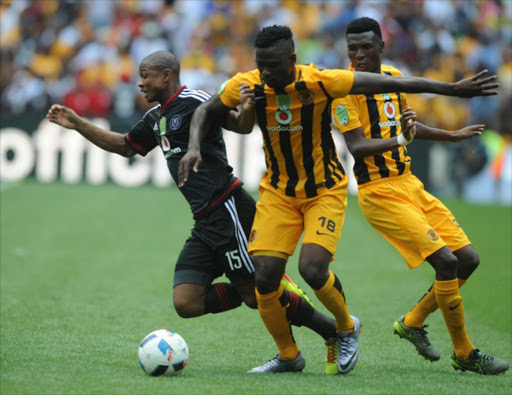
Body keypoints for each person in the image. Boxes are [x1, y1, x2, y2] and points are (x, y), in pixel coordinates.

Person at [177, 25, 498, 375]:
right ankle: (289, 356)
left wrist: (453, 90)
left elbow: (397, 84)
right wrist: (193, 147)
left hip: (324, 191)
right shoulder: (248, 82)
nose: (265, 73)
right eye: (260, 65)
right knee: (265, 278)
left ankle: (346, 328)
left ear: (292, 60)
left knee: (312, 269)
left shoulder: (321, 82)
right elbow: (207, 110)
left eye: (272, 65)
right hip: (279, 193)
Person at [46, 50, 342, 364]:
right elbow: (124, 146)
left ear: (166, 76)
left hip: (228, 210)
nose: (140, 83)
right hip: (204, 222)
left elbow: (239, 126)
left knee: (257, 295)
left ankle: (328, 332)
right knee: (186, 301)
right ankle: (263, 282)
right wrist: (78, 123)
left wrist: (245, 108)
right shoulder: (156, 117)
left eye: (146, 76)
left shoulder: (196, 99)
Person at [330, 17, 509, 375]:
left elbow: (406, 129)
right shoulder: (343, 91)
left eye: (366, 47)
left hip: (410, 184)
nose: (359, 55)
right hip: (379, 193)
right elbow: (358, 146)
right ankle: (464, 352)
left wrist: (451, 135)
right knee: (446, 263)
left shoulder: (395, 78)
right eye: (353, 49)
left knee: (467, 259)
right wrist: (401, 140)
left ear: (382, 46)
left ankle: (412, 322)